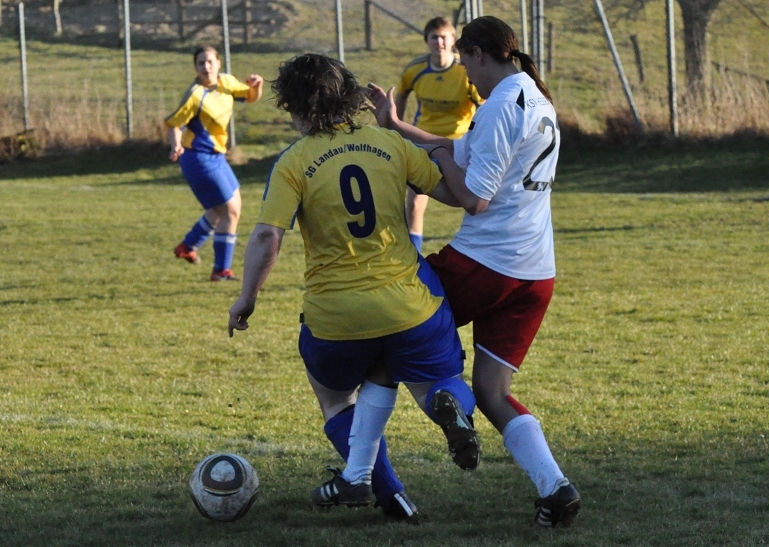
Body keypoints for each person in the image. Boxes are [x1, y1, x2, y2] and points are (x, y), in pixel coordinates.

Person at [227, 53, 480, 521]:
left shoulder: (294, 161)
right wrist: (439, 149)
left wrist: (246, 298)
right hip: (408, 306)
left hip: (336, 317)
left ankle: (388, 493)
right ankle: (452, 407)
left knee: (335, 397)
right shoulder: (390, 144)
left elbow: (267, 234)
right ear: (349, 97)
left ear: (296, 107)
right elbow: (452, 193)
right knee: (436, 386)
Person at [367, 16, 582, 528]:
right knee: (494, 390)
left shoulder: (502, 106)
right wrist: (398, 129)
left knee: (387, 339)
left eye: (465, 61)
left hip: (487, 264)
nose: (465, 73)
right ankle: (556, 488)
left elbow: (472, 198)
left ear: (481, 54)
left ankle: (360, 472)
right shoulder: (534, 98)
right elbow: (460, 160)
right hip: (535, 274)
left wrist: (427, 159)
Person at [165, 45, 263, 281]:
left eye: (210, 62)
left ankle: (188, 246)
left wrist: (257, 85)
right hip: (197, 157)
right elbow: (173, 124)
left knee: (229, 208)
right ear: (196, 67)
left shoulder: (227, 83)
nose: (206, 67)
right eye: (201, 63)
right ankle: (221, 270)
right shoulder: (195, 94)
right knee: (229, 210)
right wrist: (175, 145)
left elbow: (249, 96)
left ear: (219, 63)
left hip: (217, 156)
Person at [395, 16, 482, 253]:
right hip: (424, 144)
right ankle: (415, 257)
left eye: (444, 37)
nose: (439, 42)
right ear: (427, 41)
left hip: (460, 146)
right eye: (434, 37)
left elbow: (483, 105)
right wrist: (396, 125)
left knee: (474, 201)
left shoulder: (465, 71)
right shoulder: (415, 69)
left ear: (453, 40)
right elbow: (401, 93)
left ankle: (476, 250)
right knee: (413, 204)